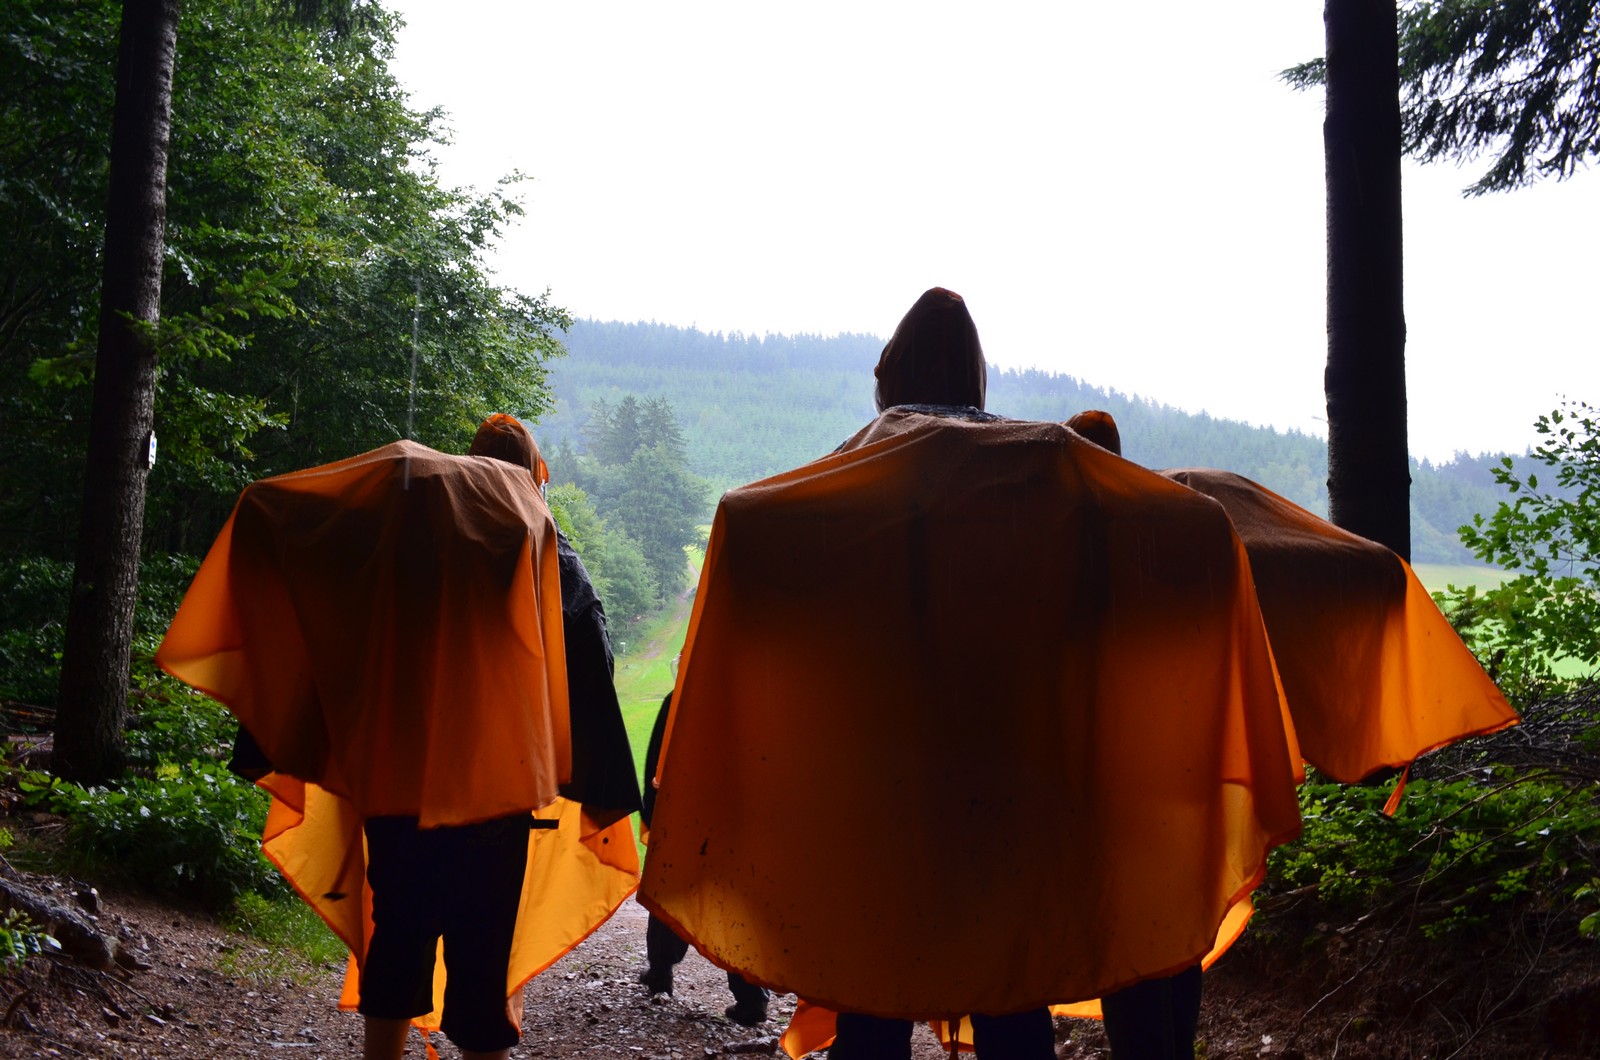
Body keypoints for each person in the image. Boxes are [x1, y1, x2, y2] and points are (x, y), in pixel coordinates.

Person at [640, 289, 1303, 1060]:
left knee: (875, 998)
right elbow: (1191, 525)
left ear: (888, 376)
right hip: (1015, 792)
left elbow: (759, 521)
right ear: (978, 377)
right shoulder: (1040, 464)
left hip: (887, 795)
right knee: (1009, 992)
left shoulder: (862, 469)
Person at [157, 415, 641, 1060]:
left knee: (397, 939)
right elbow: (590, 659)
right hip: (495, 789)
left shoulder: (402, 526)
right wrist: (592, 778)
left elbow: (323, 579)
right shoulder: (539, 540)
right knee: (483, 957)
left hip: (398, 777)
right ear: (536, 474)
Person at [637, 689, 771, 1027]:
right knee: (739, 900)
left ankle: (660, 972)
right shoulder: (756, 694)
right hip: (738, 817)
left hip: (686, 813)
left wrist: (653, 816)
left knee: (672, 889)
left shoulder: (681, 697)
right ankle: (752, 995)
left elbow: (657, 764)